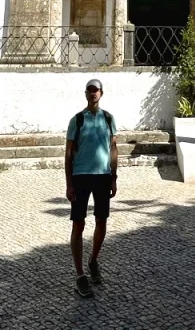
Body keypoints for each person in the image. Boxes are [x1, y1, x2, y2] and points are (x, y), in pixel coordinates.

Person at [65, 78, 118, 298]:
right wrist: (69, 183)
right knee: (79, 224)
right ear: (85, 94)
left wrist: (114, 177)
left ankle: (93, 260)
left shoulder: (108, 118)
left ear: (101, 93)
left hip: (103, 176)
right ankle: (79, 275)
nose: (93, 93)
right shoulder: (77, 120)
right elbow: (68, 154)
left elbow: (113, 148)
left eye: (96, 90)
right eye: (89, 90)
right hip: (81, 176)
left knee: (102, 221)